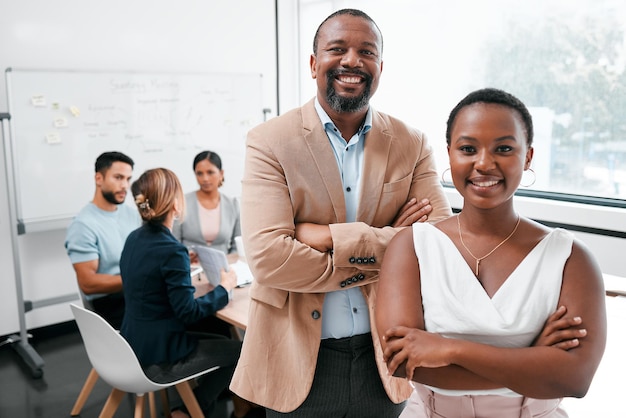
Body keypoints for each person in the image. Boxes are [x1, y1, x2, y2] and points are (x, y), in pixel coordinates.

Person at [230, 8, 452, 417]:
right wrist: (392, 245)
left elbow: (441, 245)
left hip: (385, 360)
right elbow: (268, 259)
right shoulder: (269, 141)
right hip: (296, 361)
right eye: (337, 49)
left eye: (366, 52)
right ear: (314, 64)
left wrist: (328, 236)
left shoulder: (412, 142)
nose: (352, 61)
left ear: (380, 67)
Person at [375, 87, 607, 417]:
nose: (484, 163)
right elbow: (402, 363)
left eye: (504, 148)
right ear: (450, 154)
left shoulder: (570, 258)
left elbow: (574, 379)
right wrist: (532, 360)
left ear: (527, 157)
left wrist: (448, 348)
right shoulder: (411, 246)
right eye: (468, 148)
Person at [120, 167, 259, 418]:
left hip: (132, 343)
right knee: (242, 351)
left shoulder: (134, 238)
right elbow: (188, 312)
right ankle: (189, 408)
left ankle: (220, 403)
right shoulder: (172, 251)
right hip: (158, 356)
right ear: (175, 204)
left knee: (225, 340)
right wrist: (225, 287)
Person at [64, 151, 140, 329]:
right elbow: (88, 283)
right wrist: (138, 278)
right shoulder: (83, 225)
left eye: (128, 179)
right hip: (112, 304)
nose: (124, 186)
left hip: (136, 293)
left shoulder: (132, 214)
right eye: (118, 177)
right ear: (99, 178)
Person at [173, 150, 241, 262]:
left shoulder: (232, 204)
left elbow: (237, 246)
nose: (205, 179)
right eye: (199, 173)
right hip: (188, 269)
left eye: (210, 172)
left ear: (221, 173)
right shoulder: (182, 202)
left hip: (224, 270)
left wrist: (226, 265)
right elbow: (174, 243)